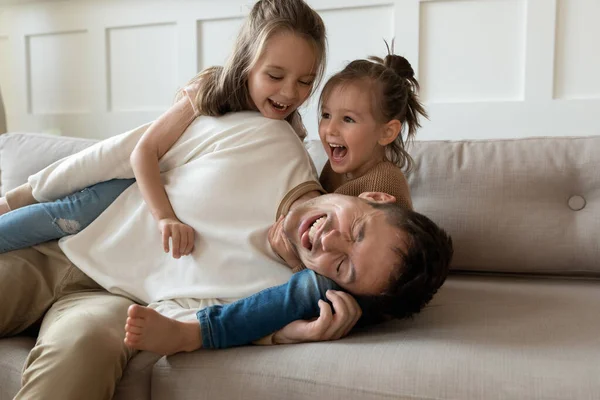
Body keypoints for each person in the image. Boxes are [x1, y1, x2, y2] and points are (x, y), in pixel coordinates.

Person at [122, 53, 452, 353]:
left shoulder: (383, 180)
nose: (330, 129)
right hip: (345, 266)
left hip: (367, 282)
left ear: (386, 132)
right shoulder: (334, 170)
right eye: (325, 115)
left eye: (348, 120)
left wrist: (308, 268)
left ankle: (200, 332)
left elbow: (385, 267)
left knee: (314, 288)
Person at [0, 0, 326, 258]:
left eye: (304, 82)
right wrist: (166, 218)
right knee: (51, 214)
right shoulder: (209, 92)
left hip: (157, 212)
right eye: (274, 76)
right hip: (126, 188)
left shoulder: (288, 131)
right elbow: (144, 151)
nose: (288, 93)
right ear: (246, 63)